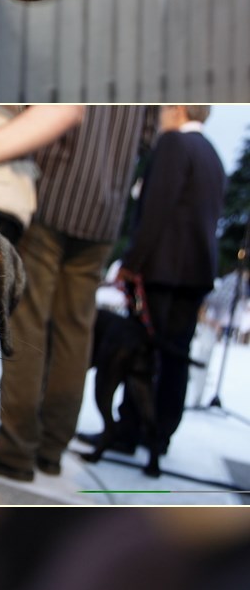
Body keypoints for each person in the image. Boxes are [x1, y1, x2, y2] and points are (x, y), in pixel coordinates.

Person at [0, 115, 150, 477]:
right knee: (76, 331)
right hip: (106, 210)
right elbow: (146, 137)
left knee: (28, 321)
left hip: (55, 193)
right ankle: (51, 450)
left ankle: (15, 449)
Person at [93, 120, 225, 471]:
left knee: (141, 354)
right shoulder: (212, 154)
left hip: (164, 269)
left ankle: (128, 430)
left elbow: (156, 209)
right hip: (197, 272)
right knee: (174, 357)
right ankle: (160, 434)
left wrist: (132, 263)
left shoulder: (174, 144)